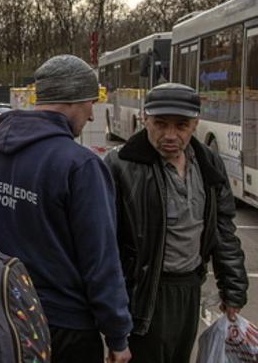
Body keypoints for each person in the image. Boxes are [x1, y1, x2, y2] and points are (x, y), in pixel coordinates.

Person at [0, 54, 132, 363]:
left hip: (1, 315)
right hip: (63, 325)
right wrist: (117, 334)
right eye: (90, 104)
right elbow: (100, 259)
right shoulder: (80, 164)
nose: (92, 117)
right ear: (72, 100)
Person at [104, 83, 248, 362]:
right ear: (145, 118)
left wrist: (233, 289)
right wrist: (112, 317)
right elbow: (105, 244)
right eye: (160, 124)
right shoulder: (121, 164)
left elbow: (224, 231)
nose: (170, 135)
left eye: (181, 125)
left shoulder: (208, 163)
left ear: (195, 124)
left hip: (189, 290)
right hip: (143, 294)